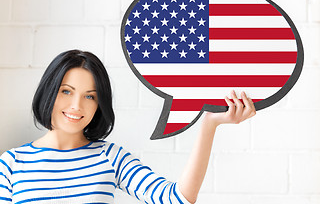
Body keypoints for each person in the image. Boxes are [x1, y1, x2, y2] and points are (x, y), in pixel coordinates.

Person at [0, 50, 256, 204]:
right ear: (48, 92)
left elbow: (177, 199)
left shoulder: (109, 157)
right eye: (66, 92)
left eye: (90, 96)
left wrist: (209, 124)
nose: (77, 105)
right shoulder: (11, 163)